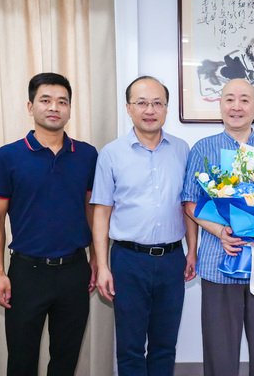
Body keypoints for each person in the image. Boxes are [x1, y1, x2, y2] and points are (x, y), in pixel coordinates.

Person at [0, 72, 98, 376]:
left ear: (70, 109)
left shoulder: (87, 155)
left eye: (62, 101)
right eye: (45, 100)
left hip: (75, 270)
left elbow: (92, 210)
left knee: (65, 361)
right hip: (26, 273)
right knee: (21, 362)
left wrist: (97, 259)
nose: (54, 107)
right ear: (30, 106)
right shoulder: (7, 156)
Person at [91, 76, 197, 376]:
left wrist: (192, 250)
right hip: (128, 260)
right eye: (141, 103)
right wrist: (102, 266)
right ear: (128, 108)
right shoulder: (111, 153)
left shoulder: (182, 150)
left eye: (157, 103)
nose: (149, 110)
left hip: (172, 259)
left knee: (165, 344)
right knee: (130, 346)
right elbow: (101, 212)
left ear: (166, 108)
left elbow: (188, 206)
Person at [182, 78, 254, 376]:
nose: (236, 106)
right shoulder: (203, 148)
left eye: (244, 99)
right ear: (220, 105)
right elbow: (190, 202)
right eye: (229, 99)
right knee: (219, 347)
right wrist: (220, 232)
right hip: (218, 259)